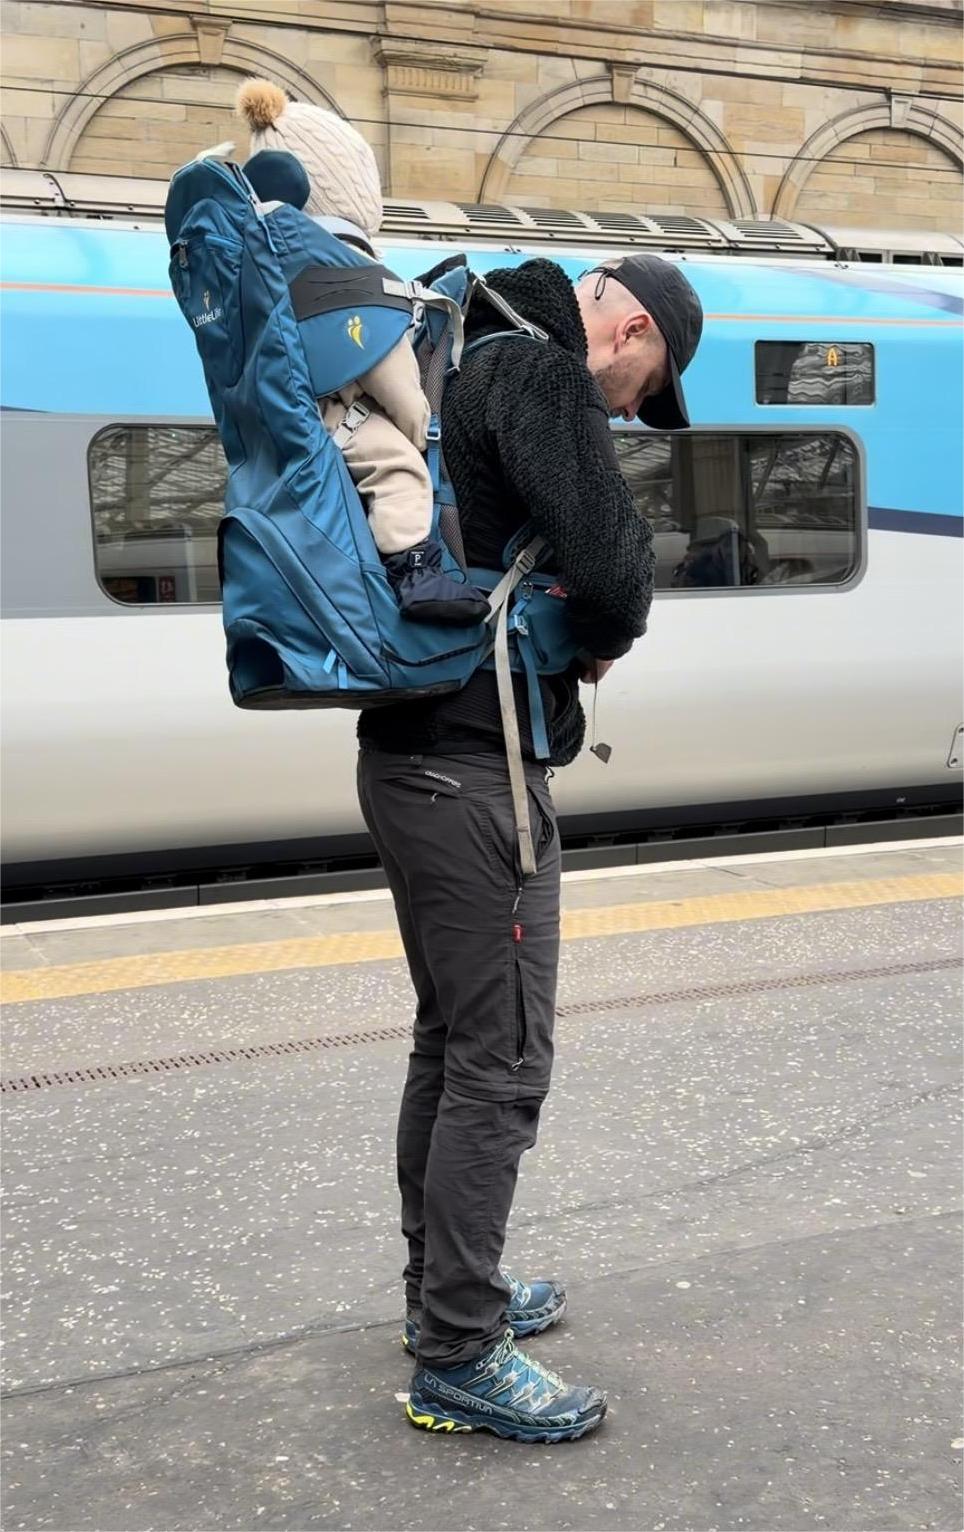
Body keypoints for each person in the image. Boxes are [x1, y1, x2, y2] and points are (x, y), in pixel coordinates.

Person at [357, 251, 704, 1441]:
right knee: (501, 1063)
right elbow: (615, 569)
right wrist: (603, 634)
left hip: (408, 759)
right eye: (646, 390)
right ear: (632, 331)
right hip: (477, 770)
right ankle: (458, 1351)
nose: (632, 413)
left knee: (450, 1042)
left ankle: (442, 1296)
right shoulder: (540, 369)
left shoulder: (457, 348)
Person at [235, 78, 486, 624]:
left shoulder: (265, 258)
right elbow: (392, 375)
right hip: (340, 415)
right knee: (399, 471)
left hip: (285, 414)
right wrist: (420, 430)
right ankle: (415, 570)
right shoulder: (352, 274)